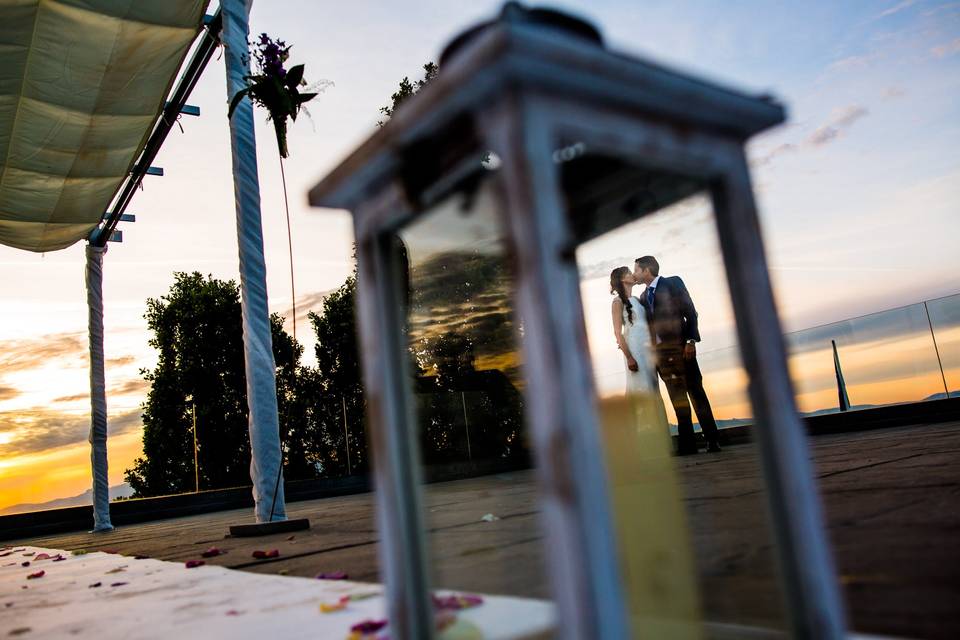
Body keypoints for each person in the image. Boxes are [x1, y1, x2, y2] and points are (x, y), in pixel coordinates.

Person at [634, 256, 721, 455]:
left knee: (697, 394)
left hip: (682, 349)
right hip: (662, 357)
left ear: (647, 270)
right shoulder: (642, 296)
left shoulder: (673, 283)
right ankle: (688, 445)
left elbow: (691, 312)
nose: (635, 274)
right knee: (677, 400)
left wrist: (691, 340)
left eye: (637, 270)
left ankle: (712, 440)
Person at [609, 266, 657, 394]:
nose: (633, 275)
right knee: (641, 387)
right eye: (630, 273)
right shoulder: (617, 302)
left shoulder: (636, 299)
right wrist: (629, 357)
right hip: (635, 351)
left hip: (647, 350)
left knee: (653, 388)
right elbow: (617, 333)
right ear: (623, 279)